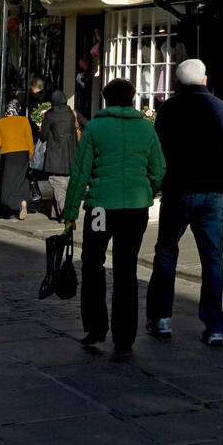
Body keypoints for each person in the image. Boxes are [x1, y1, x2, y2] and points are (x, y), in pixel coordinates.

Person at [62, 78, 165, 356]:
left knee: (93, 264)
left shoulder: (95, 127)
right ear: (132, 99)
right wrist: (148, 192)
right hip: (134, 208)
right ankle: (124, 338)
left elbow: (80, 173)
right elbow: (159, 170)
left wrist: (70, 212)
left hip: (100, 208)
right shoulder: (145, 129)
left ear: (105, 100)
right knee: (126, 269)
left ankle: (95, 327)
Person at [146, 58, 223, 347]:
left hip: (178, 190)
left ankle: (161, 319)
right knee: (212, 258)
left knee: (165, 252)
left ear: (176, 82)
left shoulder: (169, 109)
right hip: (213, 193)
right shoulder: (221, 109)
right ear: (206, 79)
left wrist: (160, 183)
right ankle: (214, 326)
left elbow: (157, 152)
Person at [39, 89, 81, 220]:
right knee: (66, 184)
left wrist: (40, 128)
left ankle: (65, 212)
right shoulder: (71, 113)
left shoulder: (50, 115)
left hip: (55, 156)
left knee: (57, 184)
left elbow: (43, 136)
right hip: (70, 155)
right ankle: (56, 213)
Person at [0, 98, 34, 220]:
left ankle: (15, 206)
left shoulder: (1, 122)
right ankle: (23, 200)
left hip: (8, 155)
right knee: (21, 181)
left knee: (7, 184)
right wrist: (30, 156)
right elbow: (30, 142)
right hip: (23, 155)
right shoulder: (25, 121)